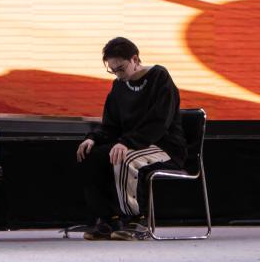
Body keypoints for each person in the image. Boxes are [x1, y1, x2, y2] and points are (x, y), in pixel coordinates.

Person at [76, 37, 187, 240]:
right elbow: (111, 125)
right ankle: (109, 219)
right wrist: (94, 138)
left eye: (120, 68)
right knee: (91, 155)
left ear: (135, 59)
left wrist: (127, 143)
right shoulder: (119, 86)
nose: (118, 74)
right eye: (112, 70)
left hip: (164, 146)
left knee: (126, 159)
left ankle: (137, 220)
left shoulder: (159, 77)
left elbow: (159, 122)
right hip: (133, 143)